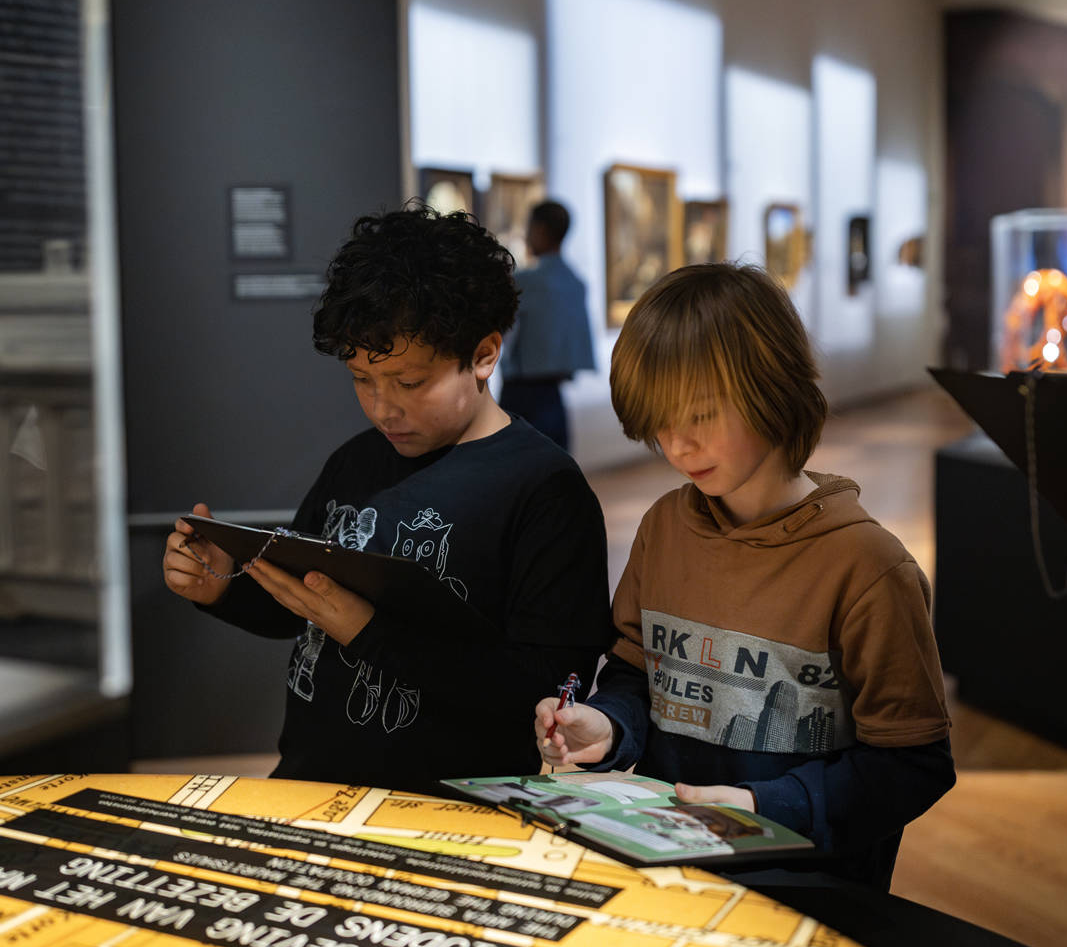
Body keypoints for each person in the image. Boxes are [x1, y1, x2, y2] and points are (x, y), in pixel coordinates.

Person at [163, 204, 611, 796]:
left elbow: (541, 688)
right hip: (307, 781)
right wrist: (221, 585)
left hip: (450, 808)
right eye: (361, 379)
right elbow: (301, 603)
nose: (382, 408)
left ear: (483, 355)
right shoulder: (355, 460)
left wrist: (368, 631)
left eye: (408, 382)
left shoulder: (545, 491)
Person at [535, 262, 955, 889]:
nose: (676, 446)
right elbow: (636, 673)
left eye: (700, 416)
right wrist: (607, 726)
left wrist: (763, 807)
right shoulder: (664, 529)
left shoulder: (868, 567)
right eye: (658, 423)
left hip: (808, 891)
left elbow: (912, 764)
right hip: (670, 868)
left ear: (772, 388)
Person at [499, 200, 594, 450]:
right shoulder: (575, 283)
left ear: (540, 230)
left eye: (529, 227)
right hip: (554, 395)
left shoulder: (525, 282)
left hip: (522, 394)